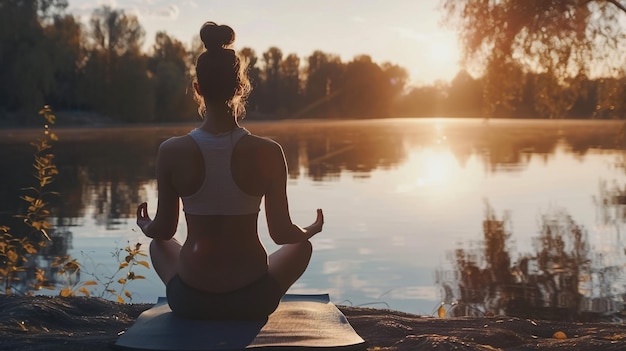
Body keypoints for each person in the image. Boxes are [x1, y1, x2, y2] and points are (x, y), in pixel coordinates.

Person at [136, 21, 324, 320]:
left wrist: (146, 225)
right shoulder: (269, 151)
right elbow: (282, 233)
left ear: (197, 88)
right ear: (240, 89)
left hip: (190, 301)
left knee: (159, 244)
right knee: (302, 247)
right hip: (253, 299)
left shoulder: (171, 151)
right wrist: (309, 230)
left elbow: (164, 230)